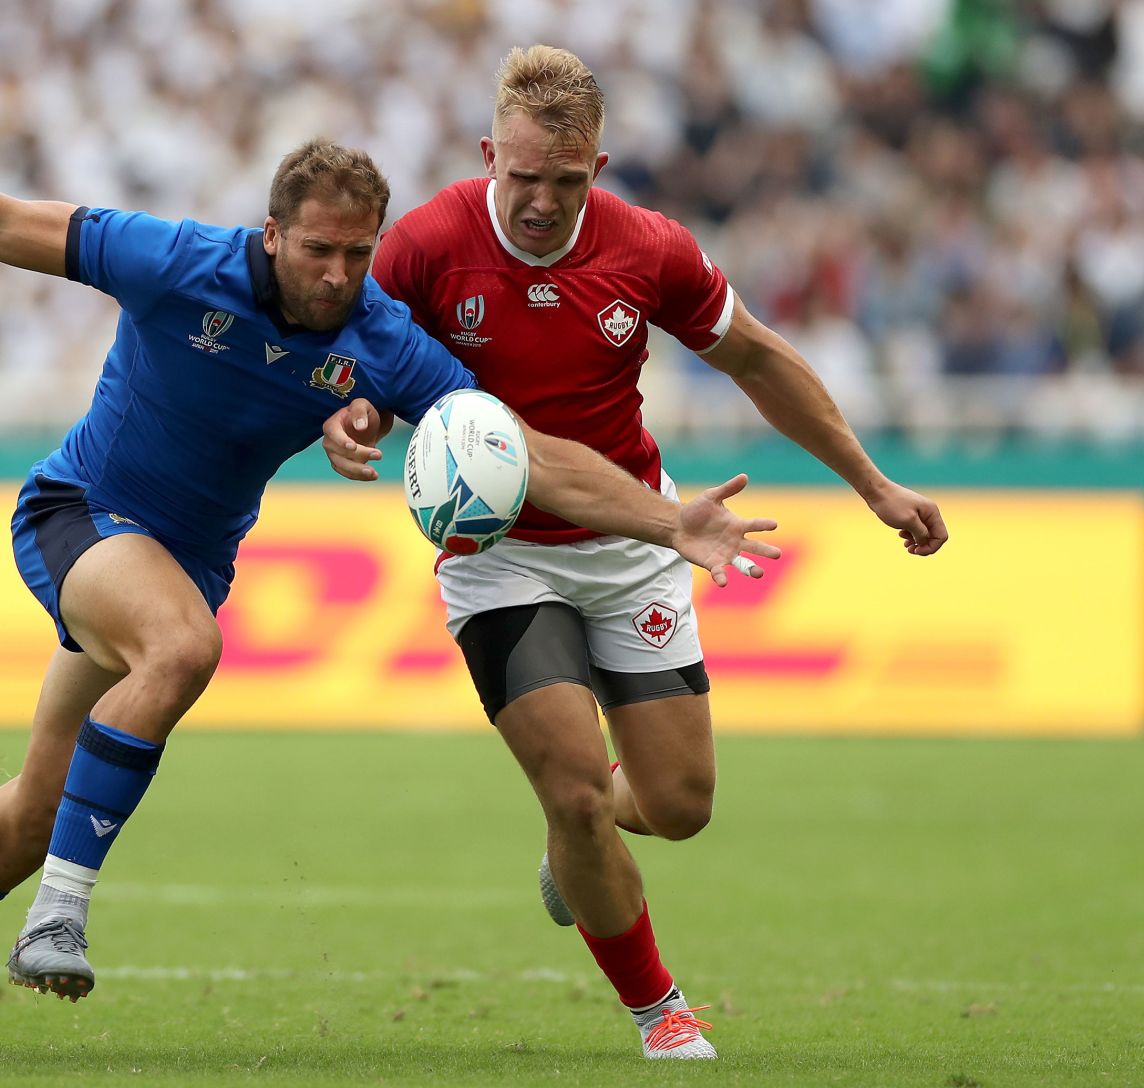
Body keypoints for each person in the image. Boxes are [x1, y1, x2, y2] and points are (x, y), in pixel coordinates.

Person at [0, 118, 780, 1050]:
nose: (336, 274)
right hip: (79, 514)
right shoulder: (173, 260)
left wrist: (662, 516)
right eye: (317, 250)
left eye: (358, 253)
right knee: (181, 649)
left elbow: (522, 448)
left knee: (35, 810)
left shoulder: (380, 338)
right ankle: (61, 917)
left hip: (178, 565)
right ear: (272, 233)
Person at [322, 45, 948, 1061]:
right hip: (500, 557)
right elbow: (359, 361)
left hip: (635, 538)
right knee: (572, 783)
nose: (538, 201)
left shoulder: (648, 248)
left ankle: (575, 849)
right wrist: (349, 415)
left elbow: (756, 357)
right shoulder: (427, 244)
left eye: (564, 182)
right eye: (521, 177)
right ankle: (662, 1009)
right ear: (491, 154)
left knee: (676, 806)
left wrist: (872, 482)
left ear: (597, 169)